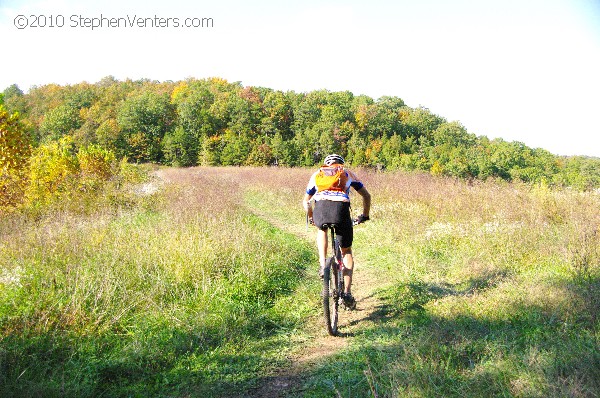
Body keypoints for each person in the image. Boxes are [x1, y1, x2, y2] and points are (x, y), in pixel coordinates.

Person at [302, 154, 371, 310]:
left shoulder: (317, 174)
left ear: (326, 164)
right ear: (341, 164)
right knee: (346, 250)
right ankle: (347, 293)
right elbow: (366, 195)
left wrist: (312, 216)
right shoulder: (347, 173)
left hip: (321, 209)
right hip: (340, 210)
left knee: (322, 229)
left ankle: (322, 264)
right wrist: (365, 215)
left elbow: (306, 201)